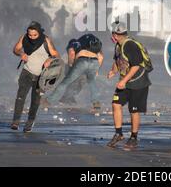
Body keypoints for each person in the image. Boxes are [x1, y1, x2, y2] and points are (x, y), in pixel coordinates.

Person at [106, 21, 152, 149]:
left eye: (113, 33)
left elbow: (136, 66)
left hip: (138, 83)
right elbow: (117, 60)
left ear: (115, 34)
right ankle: (118, 133)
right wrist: (113, 71)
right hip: (126, 82)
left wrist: (123, 81)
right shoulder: (118, 45)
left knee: (134, 110)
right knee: (116, 104)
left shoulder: (130, 45)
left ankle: (133, 137)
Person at [11, 21, 60, 132]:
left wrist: (49, 59)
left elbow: (56, 55)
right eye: (30, 35)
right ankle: (15, 122)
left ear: (39, 33)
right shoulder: (24, 38)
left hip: (41, 76)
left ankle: (29, 123)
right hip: (27, 72)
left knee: (35, 101)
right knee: (20, 97)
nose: (32, 37)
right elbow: (15, 49)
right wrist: (21, 54)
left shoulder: (46, 40)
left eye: (35, 35)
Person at [47, 33, 104, 111]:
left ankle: (49, 101)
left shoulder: (74, 43)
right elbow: (101, 56)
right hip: (94, 62)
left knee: (65, 82)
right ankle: (96, 102)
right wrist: (97, 70)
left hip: (82, 61)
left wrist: (71, 66)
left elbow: (71, 53)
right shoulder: (93, 42)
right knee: (92, 83)